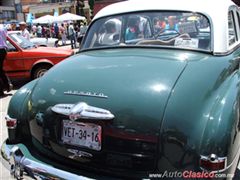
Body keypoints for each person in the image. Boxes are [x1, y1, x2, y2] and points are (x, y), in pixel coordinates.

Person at [0, 25, 12, 96]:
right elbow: (5, 38)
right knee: (0, 70)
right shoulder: (3, 27)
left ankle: (4, 88)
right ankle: (7, 85)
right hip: (3, 50)